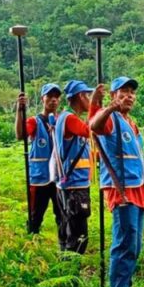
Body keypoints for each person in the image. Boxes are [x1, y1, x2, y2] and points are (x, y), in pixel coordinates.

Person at [89, 76, 144, 287]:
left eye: (132, 92)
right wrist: (107, 109)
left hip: (138, 189)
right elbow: (94, 126)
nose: (129, 96)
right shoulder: (111, 119)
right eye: (123, 91)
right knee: (125, 242)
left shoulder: (131, 123)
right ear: (114, 95)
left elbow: (138, 160)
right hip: (121, 189)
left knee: (134, 244)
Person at [15, 83, 65, 247]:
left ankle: (64, 250)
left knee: (62, 215)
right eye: (49, 96)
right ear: (43, 98)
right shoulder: (34, 122)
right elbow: (20, 134)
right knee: (35, 216)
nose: (53, 100)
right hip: (40, 178)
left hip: (58, 178)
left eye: (56, 97)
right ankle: (31, 248)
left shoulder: (62, 121)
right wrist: (20, 110)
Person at [52, 80, 95, 254]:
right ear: (80, 96)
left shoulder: (64, 117)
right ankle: (72, 274)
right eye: (88, 96)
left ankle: (66, 270)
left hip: (69, 184)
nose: (90, 100)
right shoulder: (69, 118)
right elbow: (92, 130)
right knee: (78, 236)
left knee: (68, 228)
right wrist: (96, 110)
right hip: (75, 186)